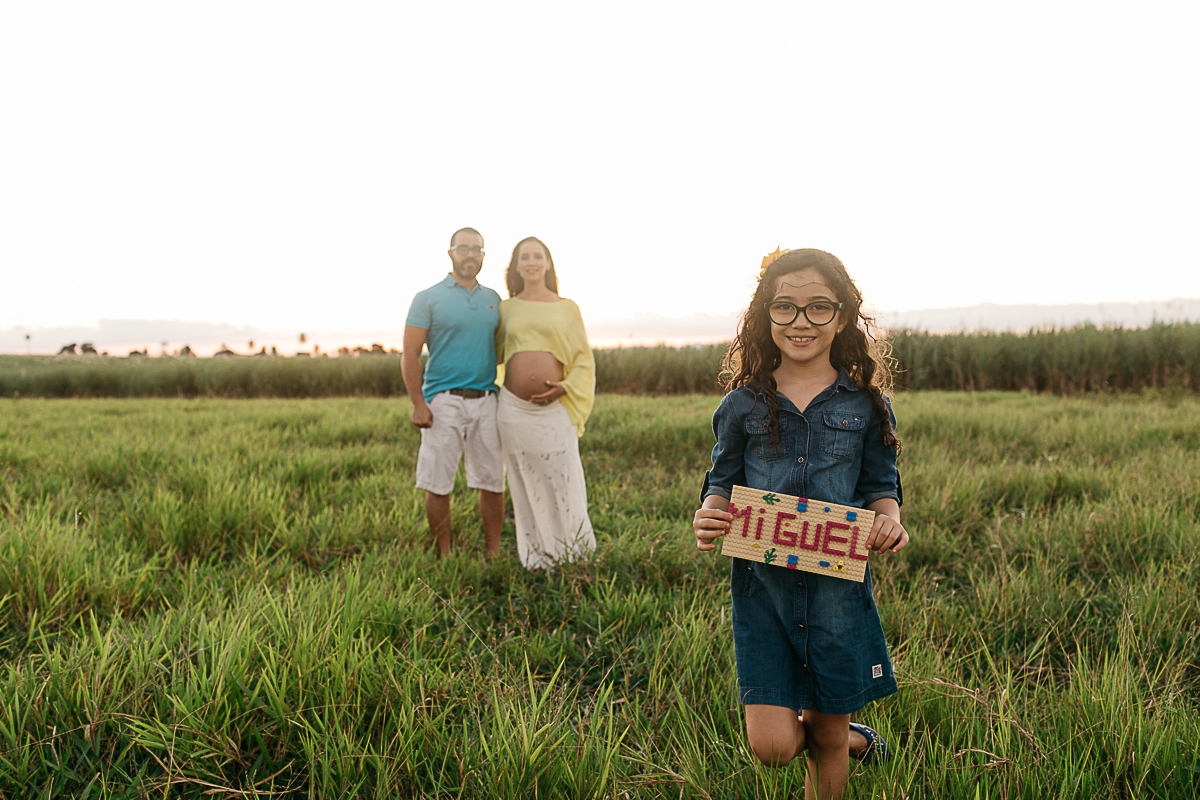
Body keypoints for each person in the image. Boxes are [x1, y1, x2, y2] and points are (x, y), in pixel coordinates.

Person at [692, 248, 910, 800]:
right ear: (766, 315)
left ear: (841, 316)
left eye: (818, 308)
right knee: (774, 748)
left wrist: (889, 523)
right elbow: (721, 480)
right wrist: (711, 513)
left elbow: (881, 486)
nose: (801, 322)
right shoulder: (743, 404)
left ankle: (843, 739)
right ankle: (863, 740)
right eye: (785, 307)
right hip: (763, 591)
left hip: (836, 593)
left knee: (825, 735)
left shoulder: (866, 404)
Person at [494, 236, 597, 570]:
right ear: (516, 265)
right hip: (513, 409)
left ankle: (573, 552)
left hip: (555, 407)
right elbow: (493, 355)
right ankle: (537, 558)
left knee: (563, 477)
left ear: (548, 263)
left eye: (538, 256)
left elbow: (583, 358)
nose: (532, 262)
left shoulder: (568, 308)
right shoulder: (506, 308)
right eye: (525, 257)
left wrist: (563, 388)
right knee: (524, 482)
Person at [402, 228, 504, 559]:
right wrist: (418, 403)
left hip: (487, 401)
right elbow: (409, 354)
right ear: (450, 253)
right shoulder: (427, 297)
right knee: (438, 481)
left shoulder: (494, 299)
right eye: (464, 249)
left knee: (492, 481)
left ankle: (492, 553)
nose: (470, 255)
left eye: (477, 249)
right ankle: (444, 553)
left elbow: (503, 350)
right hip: (442, 401)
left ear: (483, 256)